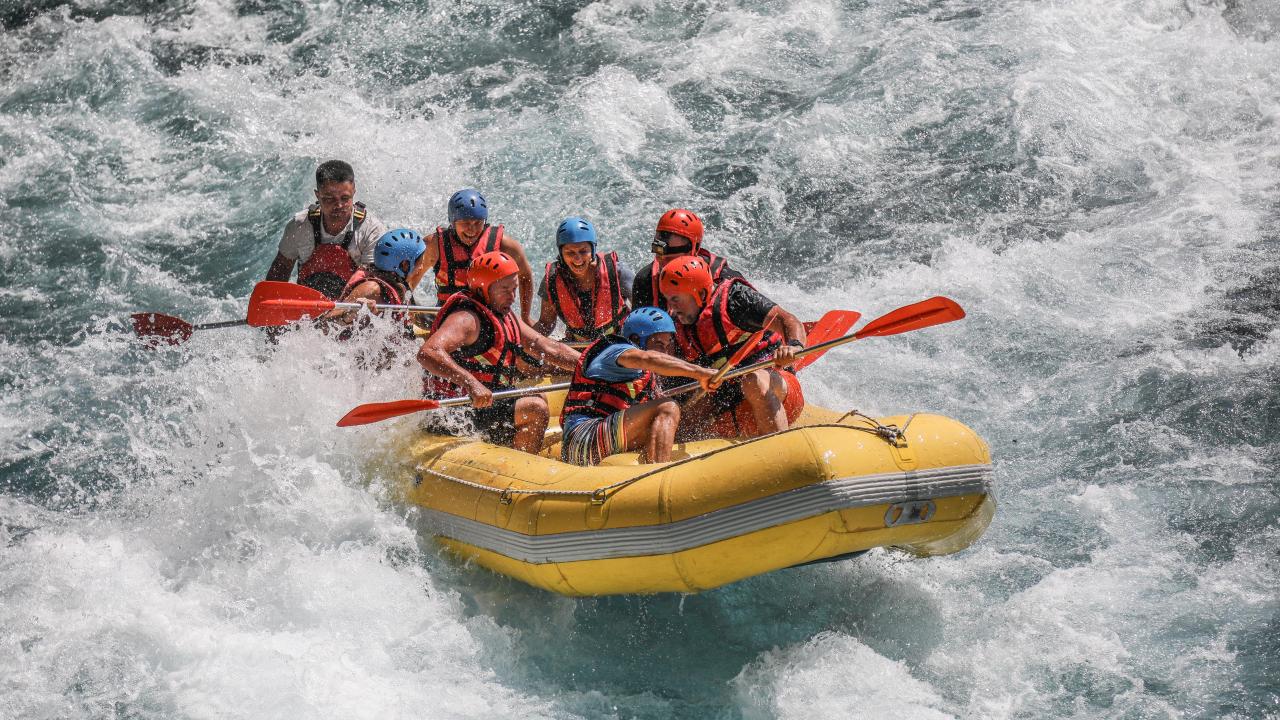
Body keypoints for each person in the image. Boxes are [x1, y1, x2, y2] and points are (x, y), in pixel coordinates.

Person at [418, 251, 580, 453]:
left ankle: (513, 450)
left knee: (539, 397)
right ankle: (521, 468)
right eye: (505, 290)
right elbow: (428, 352)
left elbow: (549, 348)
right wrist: (471, 383)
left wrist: (591, 365)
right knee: (535, 408)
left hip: (481, 405)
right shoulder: (466, 318)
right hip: (453, 412)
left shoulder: (502, 314)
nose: (512, 297)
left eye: (514, 289)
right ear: (482, 288)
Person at [659, 257, 808, 438]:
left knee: (753, 381)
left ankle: (780, 447)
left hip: (777, 391)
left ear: (701, 294)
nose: (671, 307)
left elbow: (787, 320)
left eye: (676, 299)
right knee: (686, 416)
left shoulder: (736, 299)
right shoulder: (679, 325)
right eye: (668, 299)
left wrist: (794, 347)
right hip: (735, 403)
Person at [560, 307, 720, 466]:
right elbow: (648, 358)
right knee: (668, 407)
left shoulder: (645, 375)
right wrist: (700, 373)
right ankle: (659, 474)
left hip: (603, 437)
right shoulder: (614, 349)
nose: (665, 351)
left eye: (667, 345)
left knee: (669, 418)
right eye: (659, 343)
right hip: (583, 439)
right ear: (636, 339)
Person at [264, 160, 389, 299]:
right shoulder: (299, 225)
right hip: (309, 304)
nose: (339, 205)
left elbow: (373, 285)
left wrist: (340, 310)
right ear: (317, 195)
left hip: (351, 306)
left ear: (354, 191)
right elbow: (280, 270)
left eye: (345, 198)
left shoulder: (372, 230)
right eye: (329, 199)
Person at [419, 188, 536, 323]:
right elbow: (410, 279)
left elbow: (525, 276)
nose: (472, 229)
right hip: (449, 315)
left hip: (490, 318)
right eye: (465, 223)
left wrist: (525, 316)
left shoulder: (504, 245)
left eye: (478, 223)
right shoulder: (434, 245)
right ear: (452, 222)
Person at [533, 216, 635, 343]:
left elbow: (641, 313)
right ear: (561, 253)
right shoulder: (553, 280)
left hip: (619, 342)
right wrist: (522, 346)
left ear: (593, 249)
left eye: (583, 251)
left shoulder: (617, 272)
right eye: (570, 253)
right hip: (576, 346)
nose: (578, 259)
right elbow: (545, 324)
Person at [322, 228, 427, 338]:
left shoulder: (400, 285)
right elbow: (324, 325)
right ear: (405, 265)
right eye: (420, 263)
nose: (421, 267)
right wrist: (349, 314)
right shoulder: (371, 288)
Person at [630, 208, 742, 311]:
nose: (666, 269)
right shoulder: (645, 280)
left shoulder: (724, 279)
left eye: (670, 260)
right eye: (660, 259)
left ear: (693, 250)